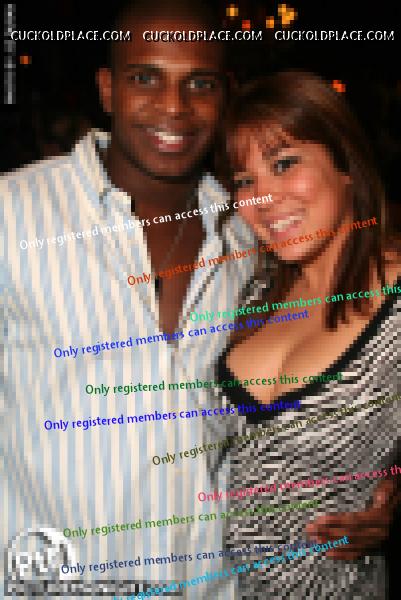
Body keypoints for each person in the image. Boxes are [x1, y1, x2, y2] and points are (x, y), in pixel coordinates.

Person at [1, 2, 258, 598]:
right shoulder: (13, 214)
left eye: (200, 83)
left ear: (226, 95)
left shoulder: (248, 238)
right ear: (108, 89)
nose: (174, 106)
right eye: (146, 77)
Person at [216, 71, 401, 598]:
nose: (263, 198)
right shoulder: (256, 290)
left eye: (283, 164)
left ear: (345, 166)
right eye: (245, 180)